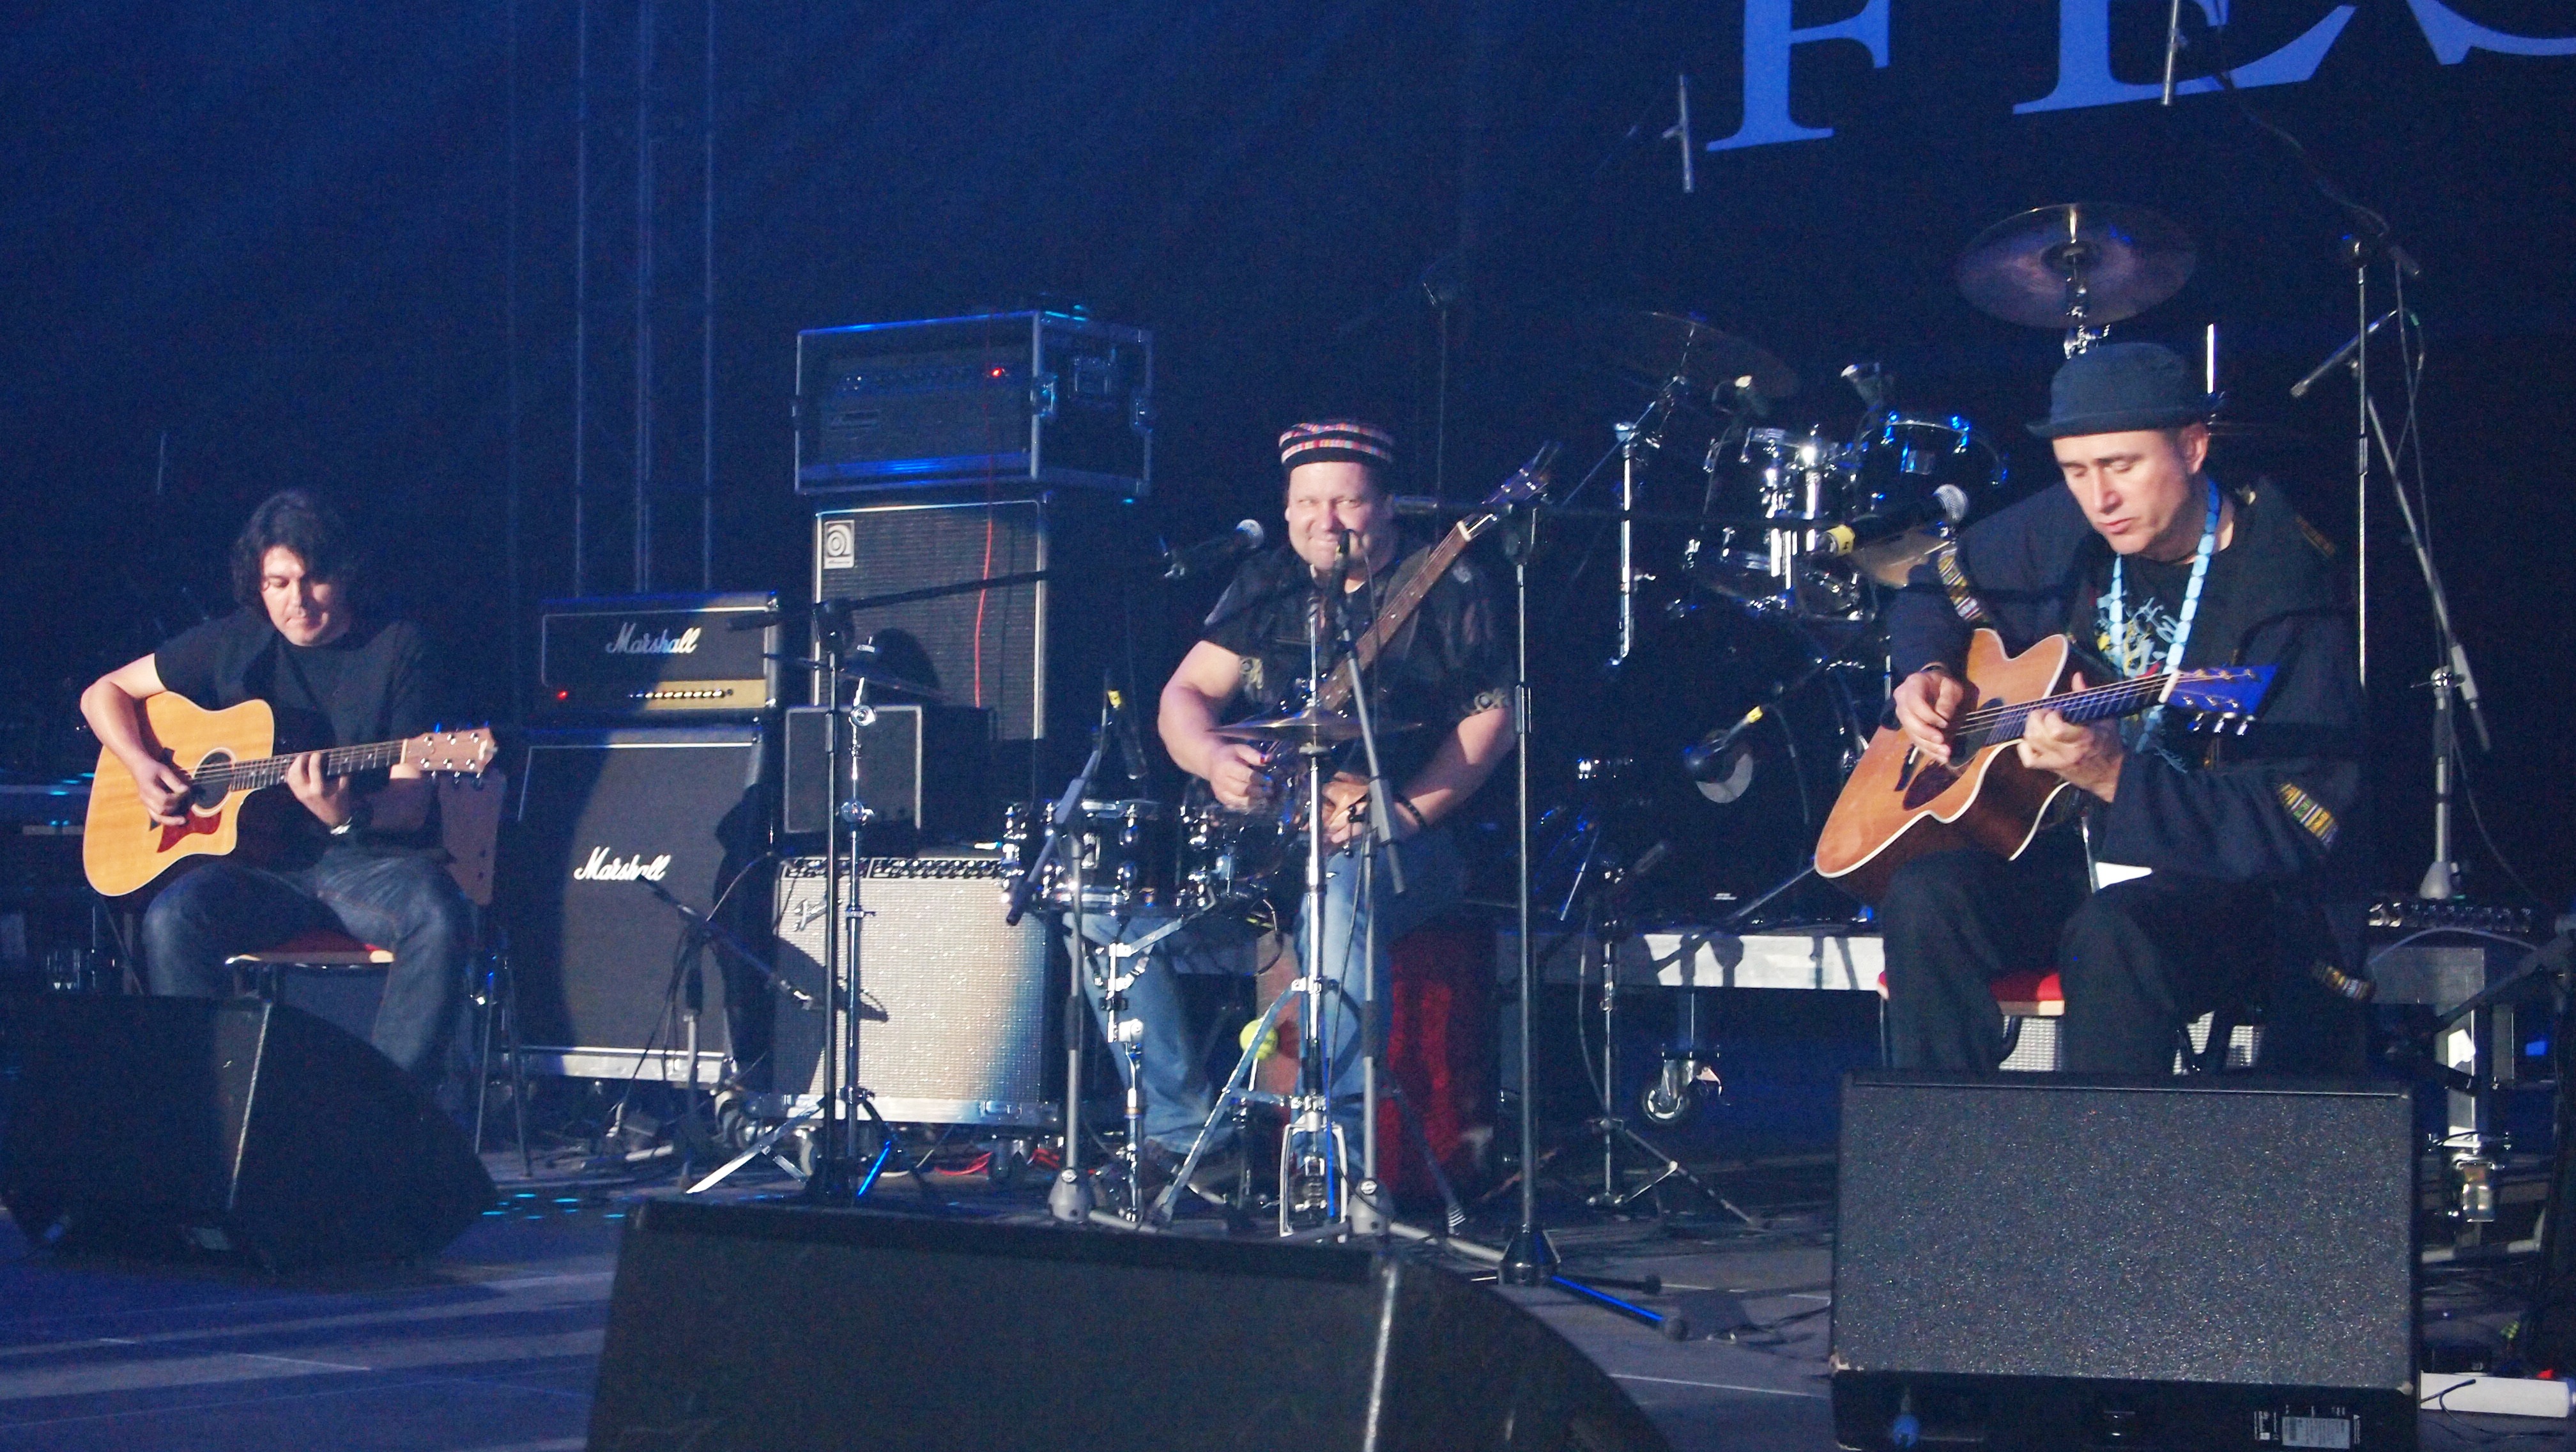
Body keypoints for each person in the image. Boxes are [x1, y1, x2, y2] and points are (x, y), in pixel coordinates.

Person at [1877, 342, 2367, 1074]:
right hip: (2079, 857)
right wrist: (1928, 669)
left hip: (2227, 895)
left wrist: (2114, 777)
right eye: (2076, 471)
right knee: (1926, 896)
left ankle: (2099, 1152)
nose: (2099, 497)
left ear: (2193, 447)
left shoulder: (2283, 586)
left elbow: (2299, 821)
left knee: (2113, 934)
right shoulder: (2068, 527)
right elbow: (1932, 586)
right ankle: (1934, 1139)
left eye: (2122, 466)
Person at [1077, 419, 1514, 1201]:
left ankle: (1329, 1150)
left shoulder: (1449, 584)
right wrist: (1213, 759)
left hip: (1404, 848)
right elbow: (1185, 694)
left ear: (1387, 507)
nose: (1327, 521)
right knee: (1105, 912)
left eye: (1348, 502)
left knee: (1341, 890)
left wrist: (1405, 812)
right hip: (1265, 850)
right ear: (1284, 510)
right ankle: (1180, 1134)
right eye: (1308, 503)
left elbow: (1491, 723)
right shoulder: (1268, 583)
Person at [80, 490, 469, 1087]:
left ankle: (384, 1104)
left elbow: (412, 802)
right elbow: (102, 694)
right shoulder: (237, 642)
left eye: (314, 580)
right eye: (278, 583)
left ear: (344, 576)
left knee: (438, 913)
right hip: (260, 871)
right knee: (173, 918)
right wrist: (140, 765)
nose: (297, 600)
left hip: (364, 864)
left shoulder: (399, 648)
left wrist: (349, 813)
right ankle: (217, 1105)